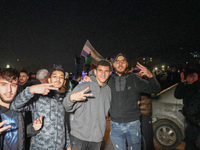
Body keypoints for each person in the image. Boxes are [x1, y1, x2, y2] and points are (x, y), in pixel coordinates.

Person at [83, 53, 161, 150]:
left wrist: (150, 75)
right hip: (115, 125)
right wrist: (89, 77)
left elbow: (156, 89)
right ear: (114, 65)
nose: (120, 64)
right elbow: (98, 76)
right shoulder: (109, 80)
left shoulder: (134, 79)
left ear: (127, 64)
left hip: (133, 124)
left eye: (122, 61)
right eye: (117, 61)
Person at [10, 65, 71, 150]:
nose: (58, 79)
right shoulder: (39, 97)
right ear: (49, 79)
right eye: (55, 76)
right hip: (40, 146)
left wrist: (68, 145)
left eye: (61, 77)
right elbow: (15, 106)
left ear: (64, 82)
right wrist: (30, 90)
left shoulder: (62, 100)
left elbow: (63, 124)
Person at [63, 60, 112, 150]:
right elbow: (67, 107)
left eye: (106, 71)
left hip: (97, 139)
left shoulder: (108, 90)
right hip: (79, 136)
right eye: (100, 70)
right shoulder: (84, 86)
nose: (103, 74)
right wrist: (71, 98)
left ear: (110, 73)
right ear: (95, 72)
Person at [0, 68, 43, 150]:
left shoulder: (19, 109)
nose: (9, 90)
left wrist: (33, 128)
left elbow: (21, 132)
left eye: (13, 85)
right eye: (4, 84)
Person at [174, 70, 200, 150]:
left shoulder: (196, 88)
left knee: (193, 142)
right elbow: (177, 95)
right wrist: (182, 82)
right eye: (188, 76)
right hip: (191, 119)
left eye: (190, 76)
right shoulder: (187, 87)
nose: (188, 78)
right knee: (191, 141)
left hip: (194, 118)